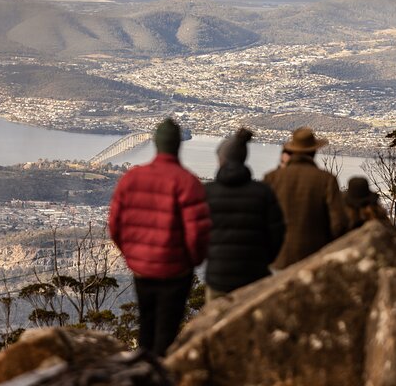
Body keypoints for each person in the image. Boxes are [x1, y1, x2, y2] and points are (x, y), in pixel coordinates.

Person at [108, 118, 211, 357]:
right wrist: (191, 262)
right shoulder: (188, 182)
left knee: (146, 324)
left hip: (142, 269)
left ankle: (143, 373)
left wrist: (133, 255)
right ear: (177, 145)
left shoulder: (132, 178)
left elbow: (115, 225)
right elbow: (197, 233)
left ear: (155, 143)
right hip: (176, 271)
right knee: (167, 331)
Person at [204, 128, 285, 302]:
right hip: (255, 276)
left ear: (221, 159)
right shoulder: (263, 193)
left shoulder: (207, 193)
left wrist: (212, 257)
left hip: (218, 276)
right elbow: (277, 235)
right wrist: (264, 260)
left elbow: (196, 235)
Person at [263, 127, 348, 269]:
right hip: (313, 259)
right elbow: (339, 224)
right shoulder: (326, 180)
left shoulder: (272, 178)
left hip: (276, 258)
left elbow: (260, 217)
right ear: (313, 151)